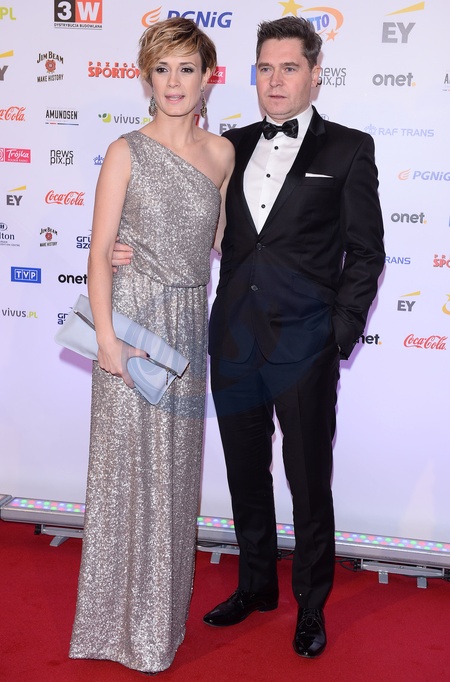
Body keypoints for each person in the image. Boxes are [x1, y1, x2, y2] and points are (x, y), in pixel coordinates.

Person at [113, 16, 385, 661]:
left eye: (290, 67)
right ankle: (256, 586)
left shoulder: (349, 149)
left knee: (308, 481)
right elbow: (191, 225)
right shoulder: (228, 147)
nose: (276, 80)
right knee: (244, 473)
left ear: (315, 74)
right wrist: (134, 250)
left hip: (306, 345)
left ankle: (310, 605)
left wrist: (337, 335)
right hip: (233, 341)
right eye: (266, 68)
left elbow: (366, 253)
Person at [69, 17, 234, 675]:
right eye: (162, 69)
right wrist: (107, 342)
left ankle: (157, 625)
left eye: (186, 69)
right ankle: (112, 626)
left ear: (207, 77)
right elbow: (98, 255)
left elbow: (218, 241)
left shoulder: (222, 156)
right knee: (125, 475)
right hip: (133, 327)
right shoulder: (125, 151)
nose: (173, 82)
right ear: (146, 78)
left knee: (174, 479)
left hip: (187, 324)